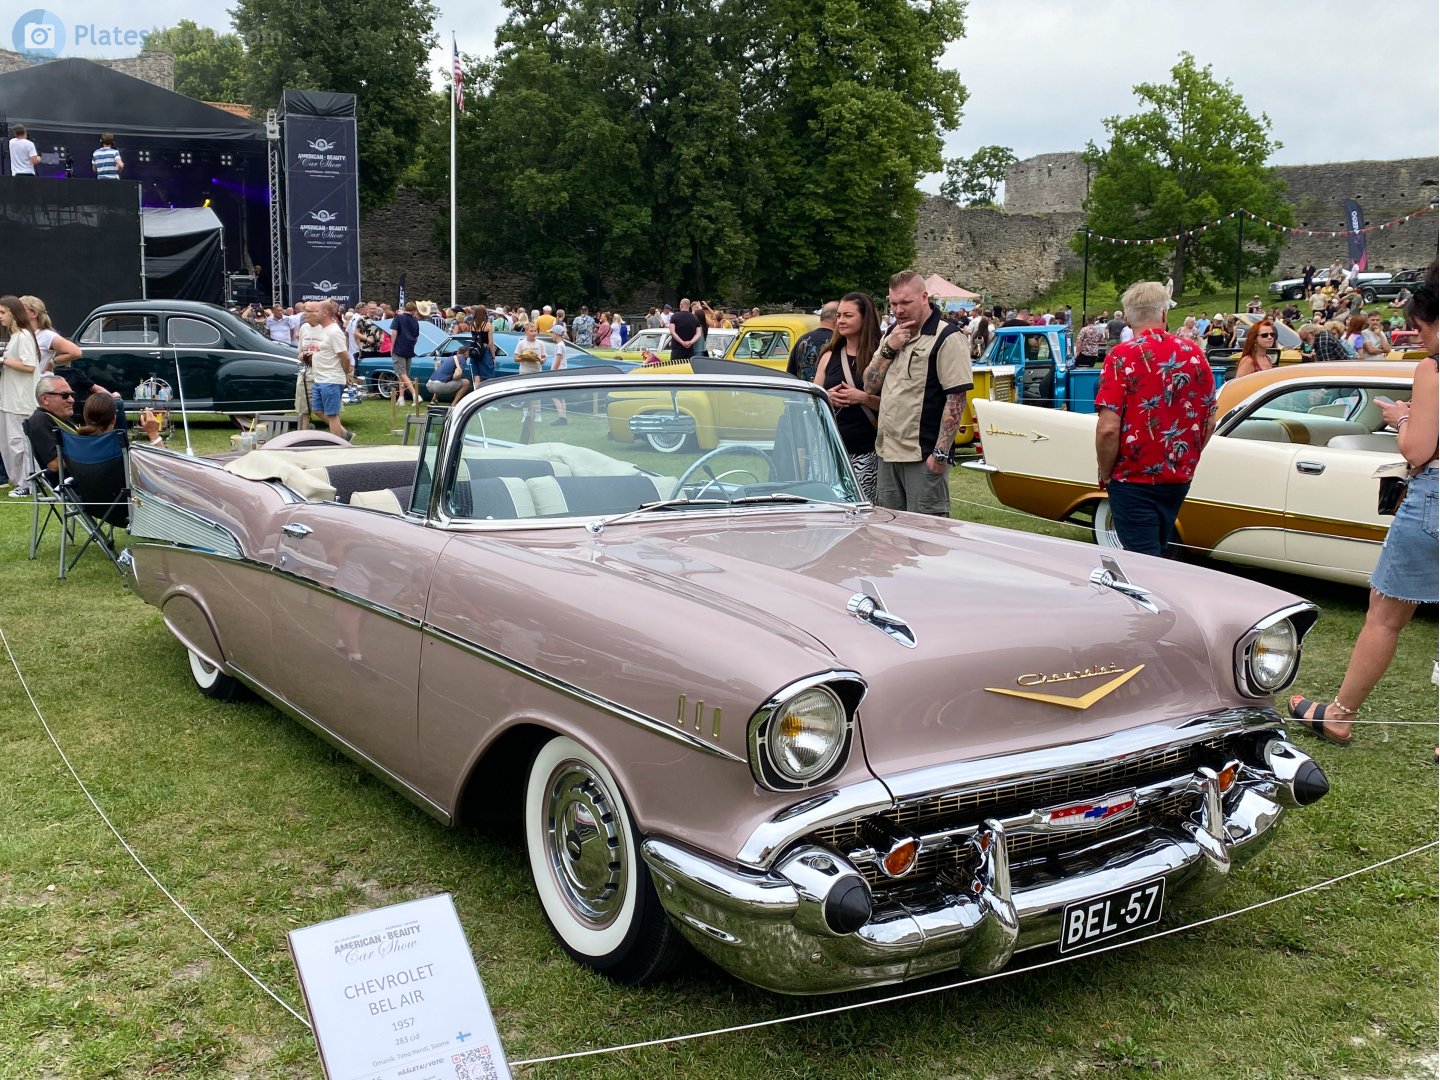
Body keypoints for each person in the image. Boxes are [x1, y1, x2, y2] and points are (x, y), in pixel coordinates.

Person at [1289, 262, 1439, 746]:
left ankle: (1340, 713)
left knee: (1385, 612)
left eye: (1421, 327)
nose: (1421, 338)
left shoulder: (1432, 369)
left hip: (1434, 496)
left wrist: (1402, 421)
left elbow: (1418, 451)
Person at [1093, 280, 1217, 557]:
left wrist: (1105, 471)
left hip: (1133, 478)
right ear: (1164, 314)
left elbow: (1109, 428)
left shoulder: (1121, 357)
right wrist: (1187, 460)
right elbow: (1209, 420)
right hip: (1177, 477)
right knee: (1159, 550)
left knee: (1143, 561)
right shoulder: (1194, 354)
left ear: (1126, 318)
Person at [861, 271, 972, 515]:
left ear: (924, 297)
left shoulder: (948, 336)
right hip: (887, 454)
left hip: (923, 457)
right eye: (893, 303)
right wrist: (889, 348)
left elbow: (957, 400)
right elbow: (869, 386)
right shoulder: (892, 334)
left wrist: (940, 455)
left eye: (905, 303)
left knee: (926, 540)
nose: (898, 310)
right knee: (891, 539)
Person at [814, 291, 881, 501]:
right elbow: (812, 401)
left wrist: (862, 398)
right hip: (830, 452)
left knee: (862, 515)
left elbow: (896, 405)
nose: (840, 320)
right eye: (839, 315)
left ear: (865, 317)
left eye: (848, 315)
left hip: (868, 453)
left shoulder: (881, 357)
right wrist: (827, 398)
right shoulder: (829, 354)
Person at [1, 295, 41, 494]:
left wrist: (3, 361)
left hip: (21, 401)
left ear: (14, 313)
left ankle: (28, 484)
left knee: (19, 444)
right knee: (10, 444)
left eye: (2, 312)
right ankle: (19, 481)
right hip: (10, 400)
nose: (0, 317)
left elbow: (29, 366)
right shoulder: (16, 336)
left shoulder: (24, 336)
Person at [307, 301, 354, 441]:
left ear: (325, 313)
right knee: (318, 410)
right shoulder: (323, 330)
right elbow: (324, 351)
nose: (314, 314)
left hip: (331, 379)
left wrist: (345, 374)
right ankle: (345, 435)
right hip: (320, 378)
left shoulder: (334, 332)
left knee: (332, 414)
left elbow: (345, 357)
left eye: (317, 311)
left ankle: (336, 445)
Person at [22, 375, 78, 485]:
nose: (71, 400)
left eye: (72, 395)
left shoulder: (61, 418)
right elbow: (55, 464)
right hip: (70, 482)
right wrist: (91, 453)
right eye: (65, 395)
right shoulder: (39, 420)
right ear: (45, 399)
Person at [74, 390, 163, 445]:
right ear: (114, 419)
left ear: (85, 417)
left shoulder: (73, 446)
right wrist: (153, 434)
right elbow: (165, 470)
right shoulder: (120, 450)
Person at [787, 301, 838, 381]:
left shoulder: (802, 339)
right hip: (827, 392)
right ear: (836, 319)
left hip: (803, 391)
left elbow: (790, 374)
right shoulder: (838, 341)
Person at [389, 300, 423, 410]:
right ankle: (401, 398)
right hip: (409, 349)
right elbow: (417, 337)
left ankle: (415, 395)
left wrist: (392, 347)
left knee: (401, 373)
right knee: (404, 375)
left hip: (399, 348)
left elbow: (394, 333)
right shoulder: (415, 321)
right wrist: (412, 345)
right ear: (413, 311)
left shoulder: (398, 318)